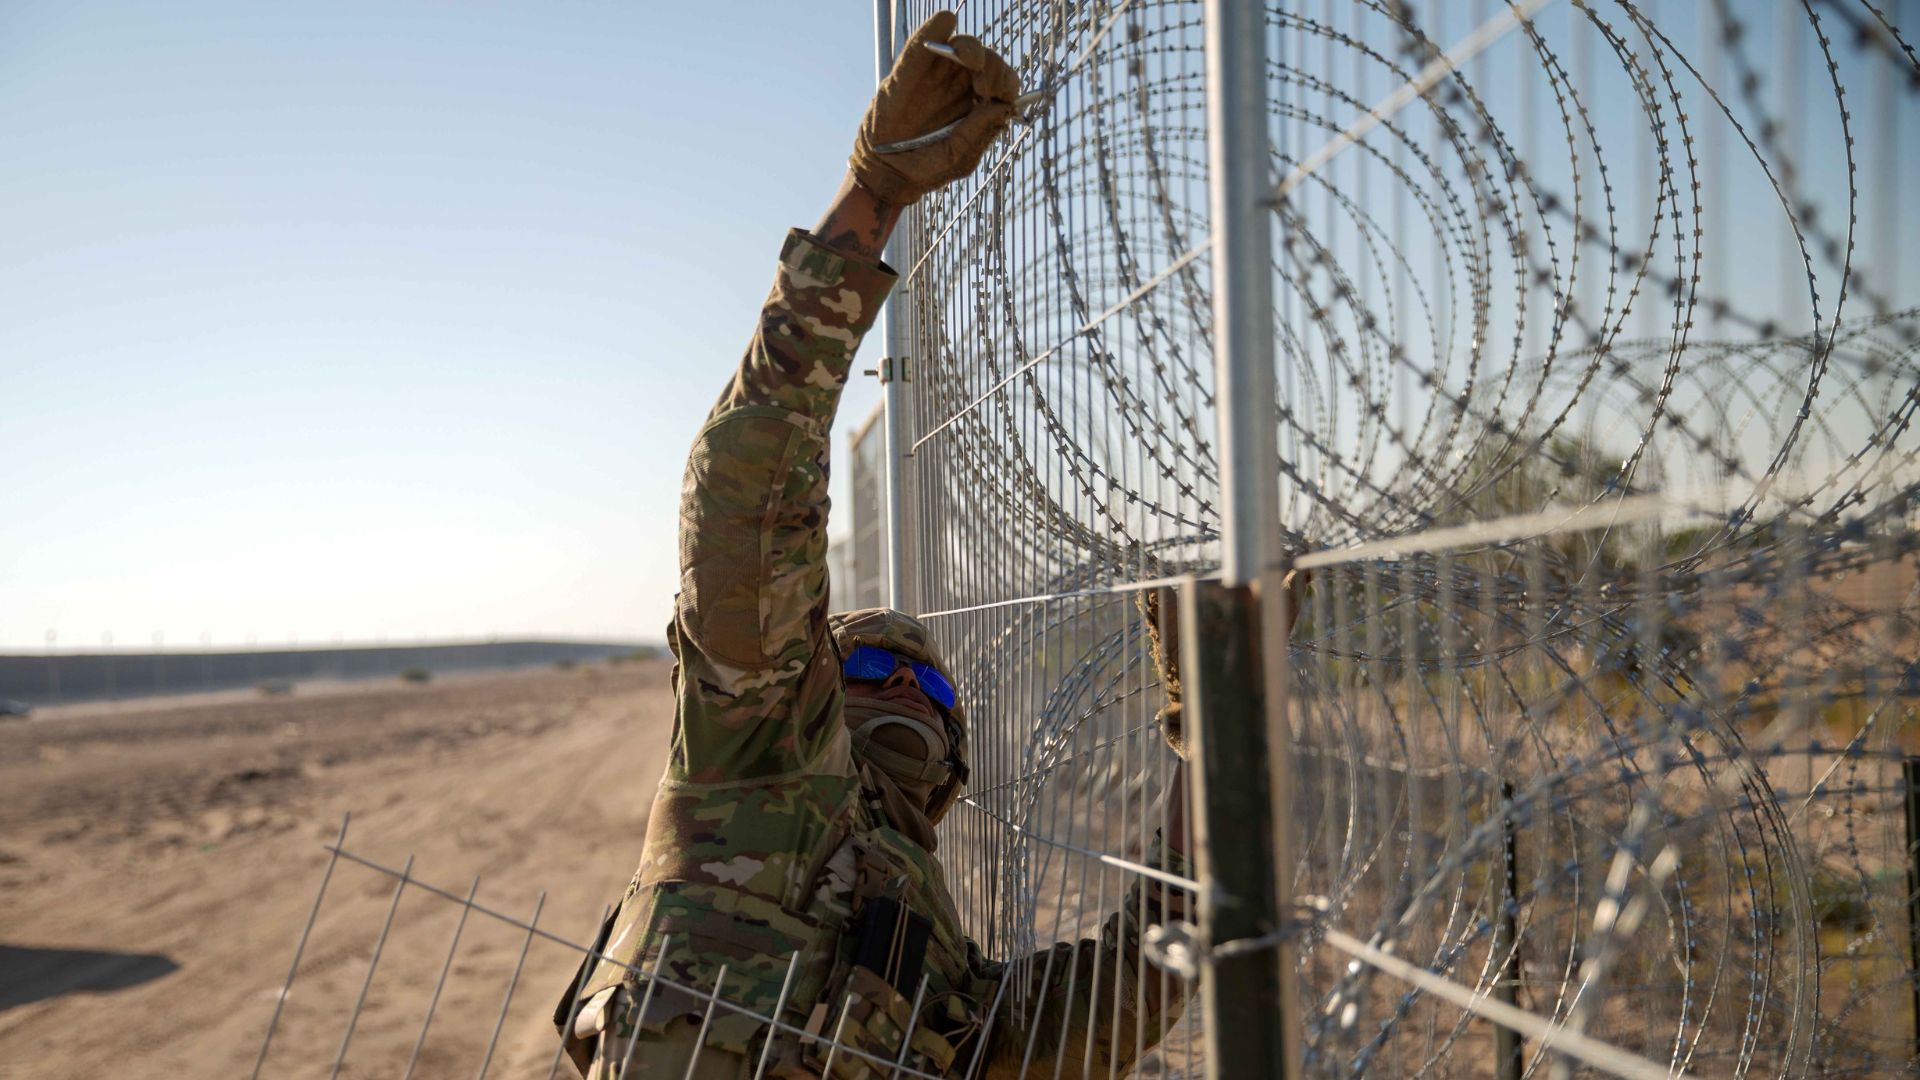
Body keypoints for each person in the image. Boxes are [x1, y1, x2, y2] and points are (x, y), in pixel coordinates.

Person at [554, 13, 1214, 1078]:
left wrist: (1207, 735)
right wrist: (875, 196)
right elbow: (743, 490)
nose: (906, 683)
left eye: (932, 688)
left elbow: (1143, 978)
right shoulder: (758, 759)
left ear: (955, 765)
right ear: (815, 691)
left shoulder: (951, 981)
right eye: (869, 668)